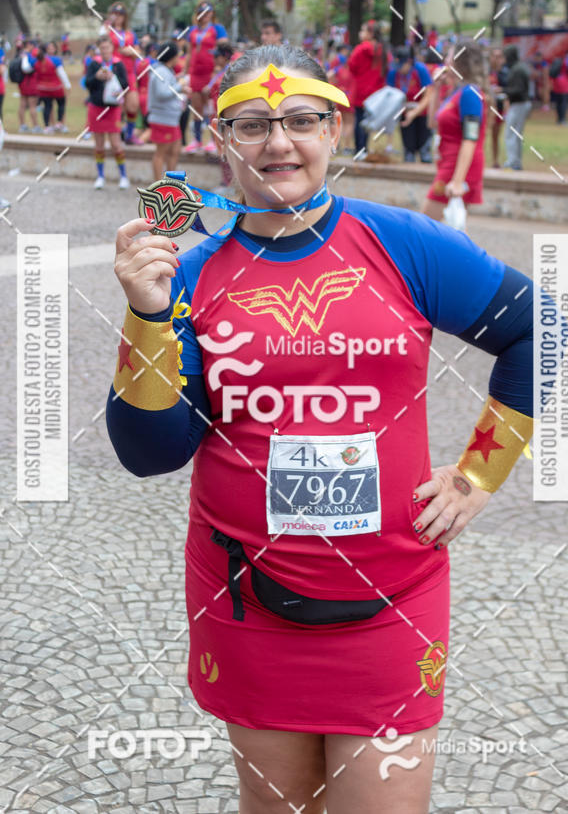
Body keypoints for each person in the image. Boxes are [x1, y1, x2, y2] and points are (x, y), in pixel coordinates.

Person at [107, 43, 534, 814]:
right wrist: (146, 316)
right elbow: (150, 452)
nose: (279, 142)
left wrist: (480, 473)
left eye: (301, 120)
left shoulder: (405, 244)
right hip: (248, 600)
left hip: (393, 599)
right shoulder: (190, 276)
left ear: (334, 129)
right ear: (222, 139)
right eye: (252, 125)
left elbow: (538, 329)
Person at [424, 40, 487, 223]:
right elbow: (432, 123)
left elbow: (470, 138)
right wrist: (436, 88)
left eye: (449, 56)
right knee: (453, 228)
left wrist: (458, 181)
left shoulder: (470, 94)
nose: (445, 60)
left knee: (426, 225)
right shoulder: (456, 92)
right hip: (447, 163)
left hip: (458, 167)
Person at [84, 36, 130, 190]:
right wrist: (97, 77)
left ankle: (123, 176)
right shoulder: (94, 64)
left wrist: (113, 78)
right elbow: (87, 83)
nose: (105, 51)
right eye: (102, 48)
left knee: (116, 144)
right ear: (99, 49)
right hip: (97, 107)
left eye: (107, 47)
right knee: (99, 145)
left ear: (112, 48)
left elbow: (125, 84)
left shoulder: (118, 64)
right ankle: (100, 176)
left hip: (113, 108)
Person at [184, 0, 227, 152]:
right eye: (202, 11)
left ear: (212, 13)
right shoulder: (193, 30)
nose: (206, 14)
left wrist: (219, 69)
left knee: (211, 107)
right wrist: (185, 72)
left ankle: (213, 141)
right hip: (195, 72)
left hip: (211, 72)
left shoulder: (217, 29)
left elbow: (224, 50)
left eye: (209, 11)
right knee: (196, 107)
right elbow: (189, 53)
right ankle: (197, 140)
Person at [100, 2, 142, 144]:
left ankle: (129, 134)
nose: (118, 17)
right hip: (114, 73)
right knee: (116, 106)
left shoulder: (130, 34)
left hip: (129, 73)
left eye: (121, 14)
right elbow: (101, 45)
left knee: (133, 105)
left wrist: (131, 51)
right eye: (115, 14)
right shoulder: (108, 31)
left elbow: (138, 51)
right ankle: (115, 135)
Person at [147, 41, 186, 180]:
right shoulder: (160, 71)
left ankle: (171, 182)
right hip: (162, 118)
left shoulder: (165, 71)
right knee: (161, 153)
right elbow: (162, 93)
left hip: (171, 118)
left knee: (175, 150)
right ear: (172, 56)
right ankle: (158, 184)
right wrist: (180, 86)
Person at [388, 47, 433, 162]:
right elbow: (390, 95)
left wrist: (414, 112)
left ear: (409, 62)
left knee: (424, 151)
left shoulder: (420, 70)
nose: (399, 69)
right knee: (409, 152)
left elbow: (428, 95)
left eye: (401, 65)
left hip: (422, 112)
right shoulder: (393, 73)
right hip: (404, 112)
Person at [347, 20, 386, 157]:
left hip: (360, 91)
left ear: (370, 33)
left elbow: (351, 66)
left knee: (359, 120)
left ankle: (359, 149)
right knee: (368, 122)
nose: (360, 33)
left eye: (363, 30)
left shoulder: (360, 49)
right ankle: (365, 149)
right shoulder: (383, 50)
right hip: (375, 92)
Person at [29, 43, 71, 134]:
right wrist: (68, 85)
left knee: (47, 106)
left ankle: (47, 126)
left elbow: (27, 68)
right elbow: (62, 73)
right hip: (56, 87)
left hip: (42, 88)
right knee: (61, 104)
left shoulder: (35, 61)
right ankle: (59, 123)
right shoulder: (55, 60)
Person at [502, 44, 531, 170]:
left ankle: (513, 161)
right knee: (516, 134)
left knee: (511, 133)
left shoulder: (517, 70)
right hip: (521, 103)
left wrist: (503, 91)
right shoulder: (519, 67)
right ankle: (516, 161)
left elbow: (518, 90)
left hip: (519, 104)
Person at [488, 47, 508, 168]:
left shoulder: (505, 73)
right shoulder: (485, 72)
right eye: (495, 56)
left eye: (499, 57)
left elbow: (509, 90)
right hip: (487, 107)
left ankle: (495, 160)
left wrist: (502, 90)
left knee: (496, 135)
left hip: (499, 108)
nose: (497, 59)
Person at [17, 40, 41, 133]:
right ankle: (35, 126)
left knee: (22, 104)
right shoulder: (28, 55)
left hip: (22, 83)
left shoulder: (20, 54)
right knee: (32, 105)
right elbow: (26, 68)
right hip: (30, 83)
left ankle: (22, 125)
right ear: (28, 45)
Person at [550, 51, 568, 125]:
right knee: (564, 102)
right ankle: (563, 119)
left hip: (556, 82)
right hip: (564, 83)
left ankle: (559, 119)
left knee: (558, 102)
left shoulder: (560, 60)